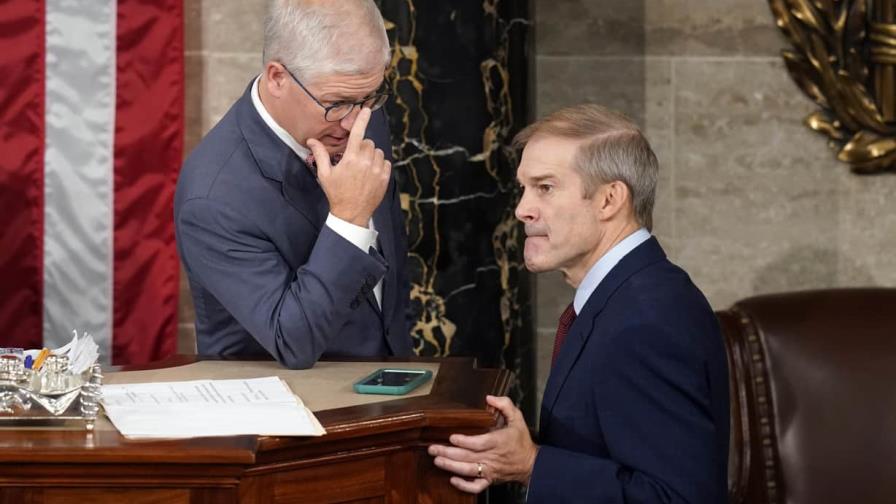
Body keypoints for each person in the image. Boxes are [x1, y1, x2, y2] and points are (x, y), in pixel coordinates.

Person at [428, 104, 729, 502]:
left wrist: (533, 464)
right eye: (523, 188)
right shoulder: (626, 295)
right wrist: (517, 451)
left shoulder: (646, 320)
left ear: (609, 200)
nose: (522, 210)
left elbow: (676, 498)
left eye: (545, 188)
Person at [174, 0, 411, 369]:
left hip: (392, 385)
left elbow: (391, 270)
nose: (354, 125)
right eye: (337, 104)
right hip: (287, 412)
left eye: (369, 99)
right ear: (277, 78)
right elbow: (293, 341)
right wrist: (348, 219)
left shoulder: (358, 111)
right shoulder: (212, 198)